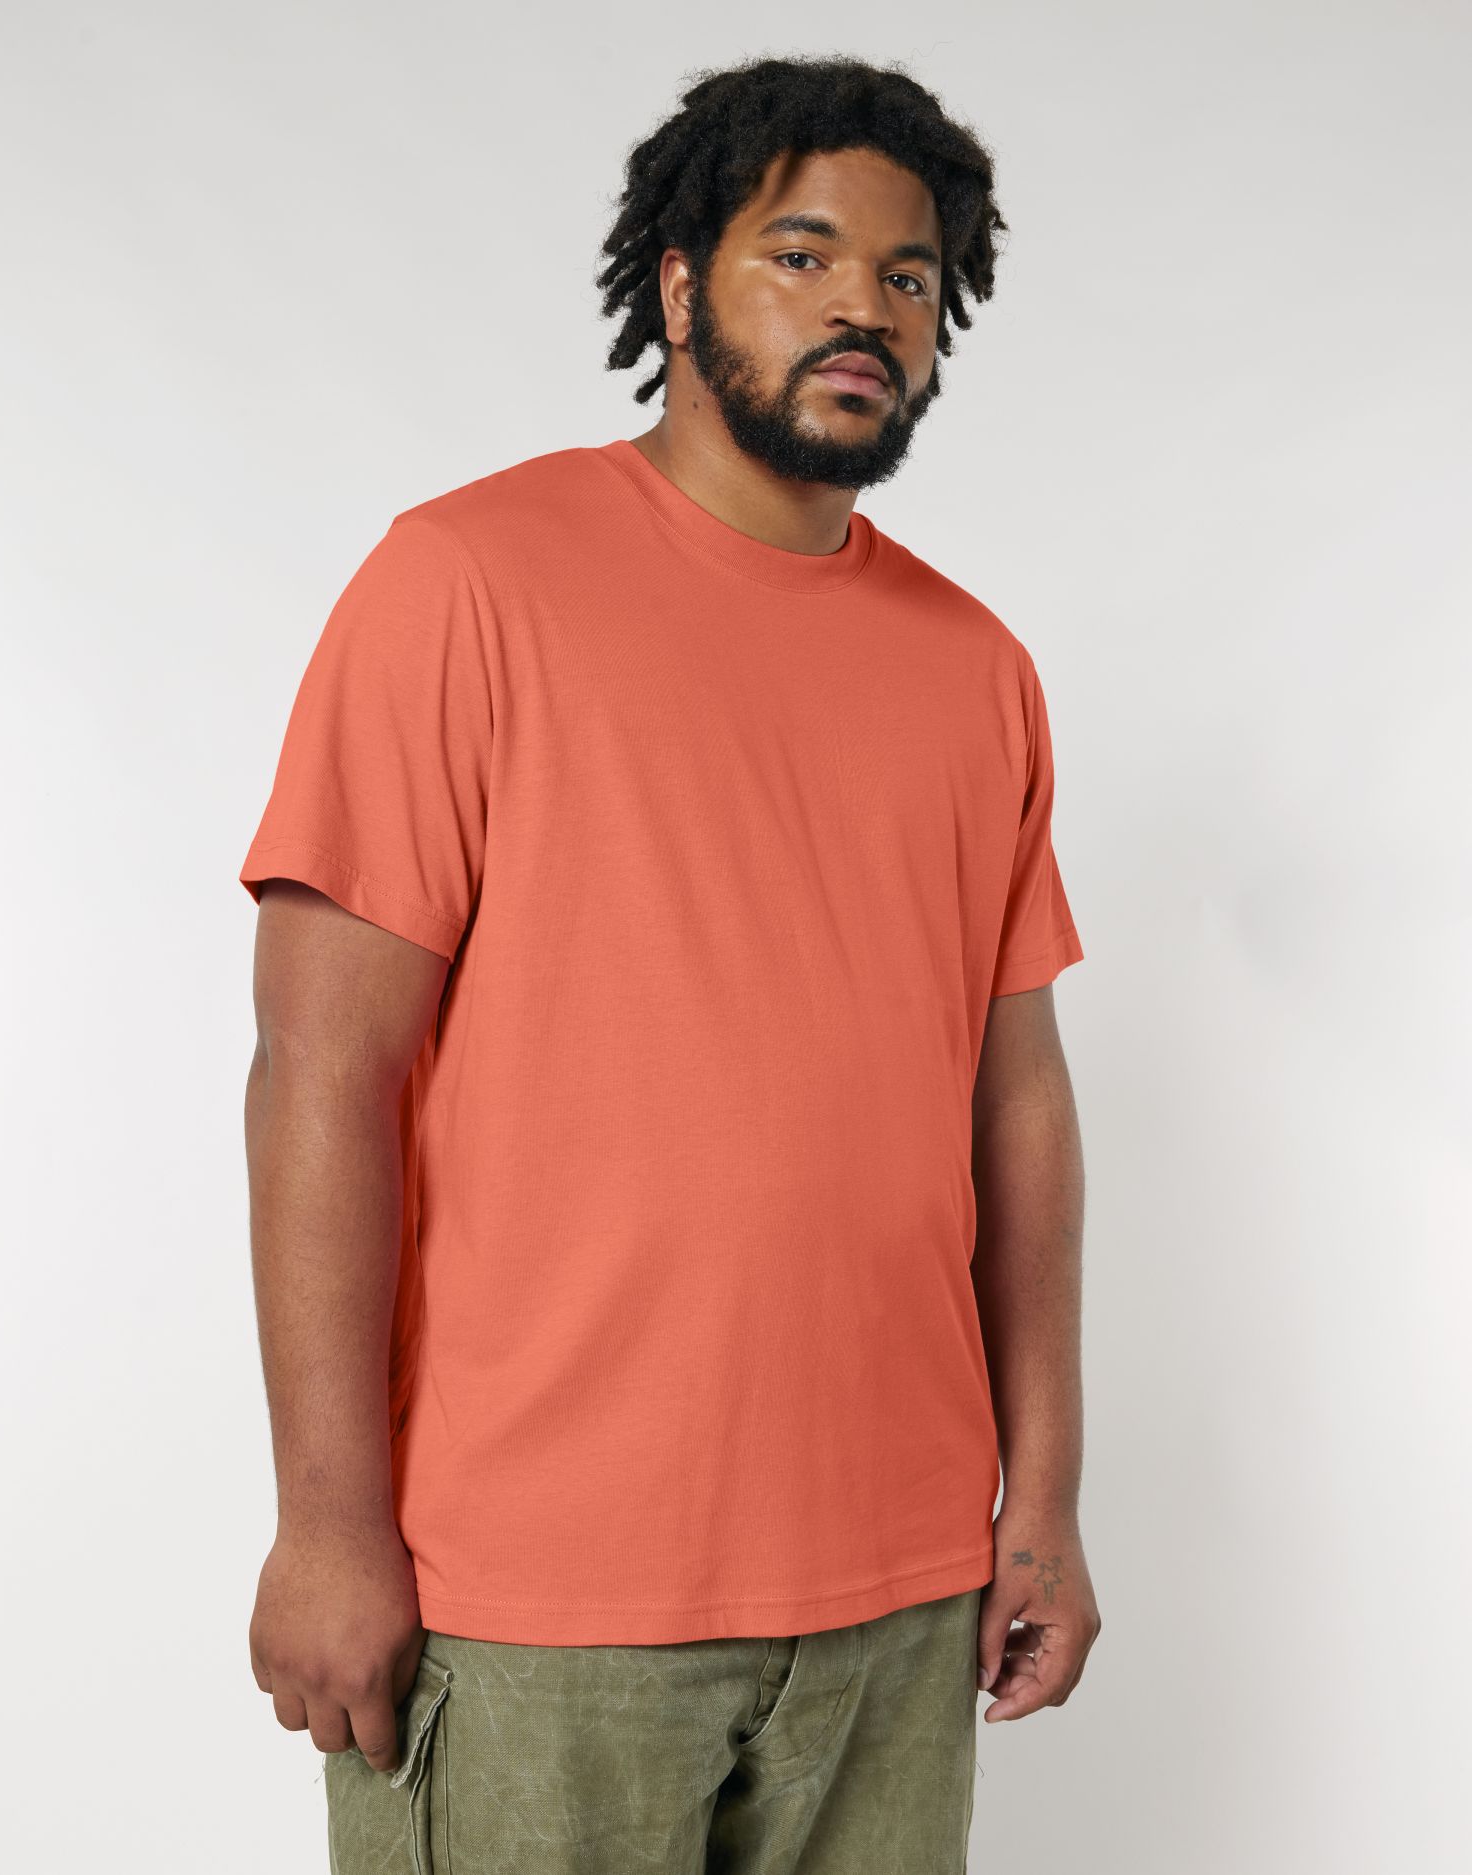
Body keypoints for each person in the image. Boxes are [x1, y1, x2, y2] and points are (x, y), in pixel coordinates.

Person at [238, 50, 1100, 1875]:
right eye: (804, 255)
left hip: (898, 1593)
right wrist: (326, 1526)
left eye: (910, 274)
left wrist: (1043, 1499)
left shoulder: (979, 671)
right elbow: (324, 1069)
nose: (864, 307)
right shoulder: (464, 583)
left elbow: (1014, 1099)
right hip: (532, 1599)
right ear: (682, 285)